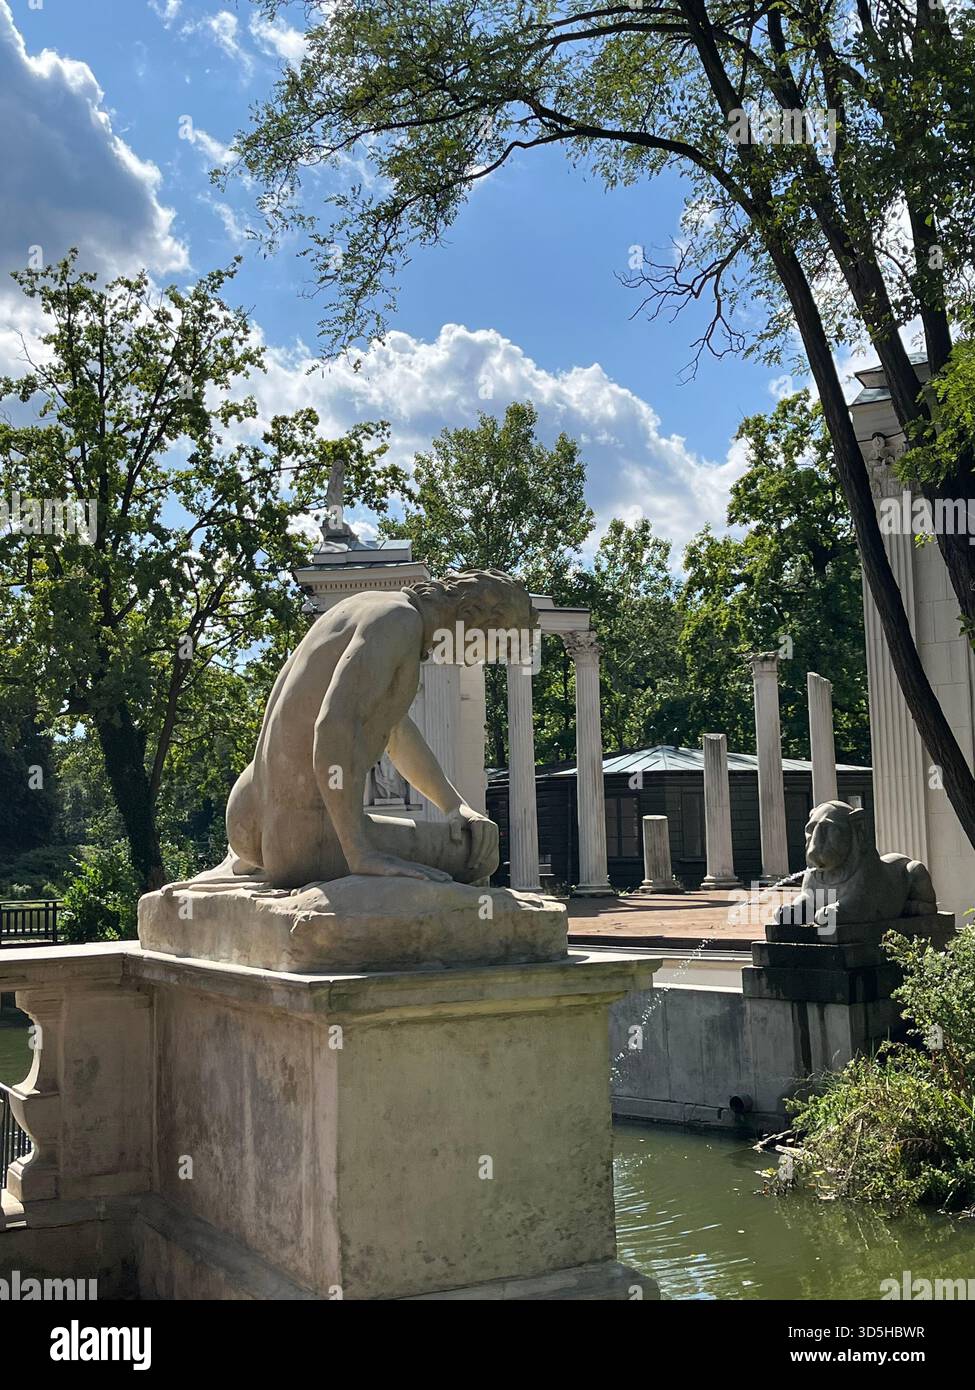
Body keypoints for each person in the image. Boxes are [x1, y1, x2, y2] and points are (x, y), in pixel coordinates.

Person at [225, 569, 536, 889]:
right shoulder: (399, 623)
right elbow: (335, 726)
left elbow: (396, 733)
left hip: (249, 820)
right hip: (304, 840)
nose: (478, 660)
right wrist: (360, 853)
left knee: (471, 835)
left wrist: (455, 806)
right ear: (474, 620)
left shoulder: (370, 605)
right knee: (481, 855)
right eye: (493, 646)